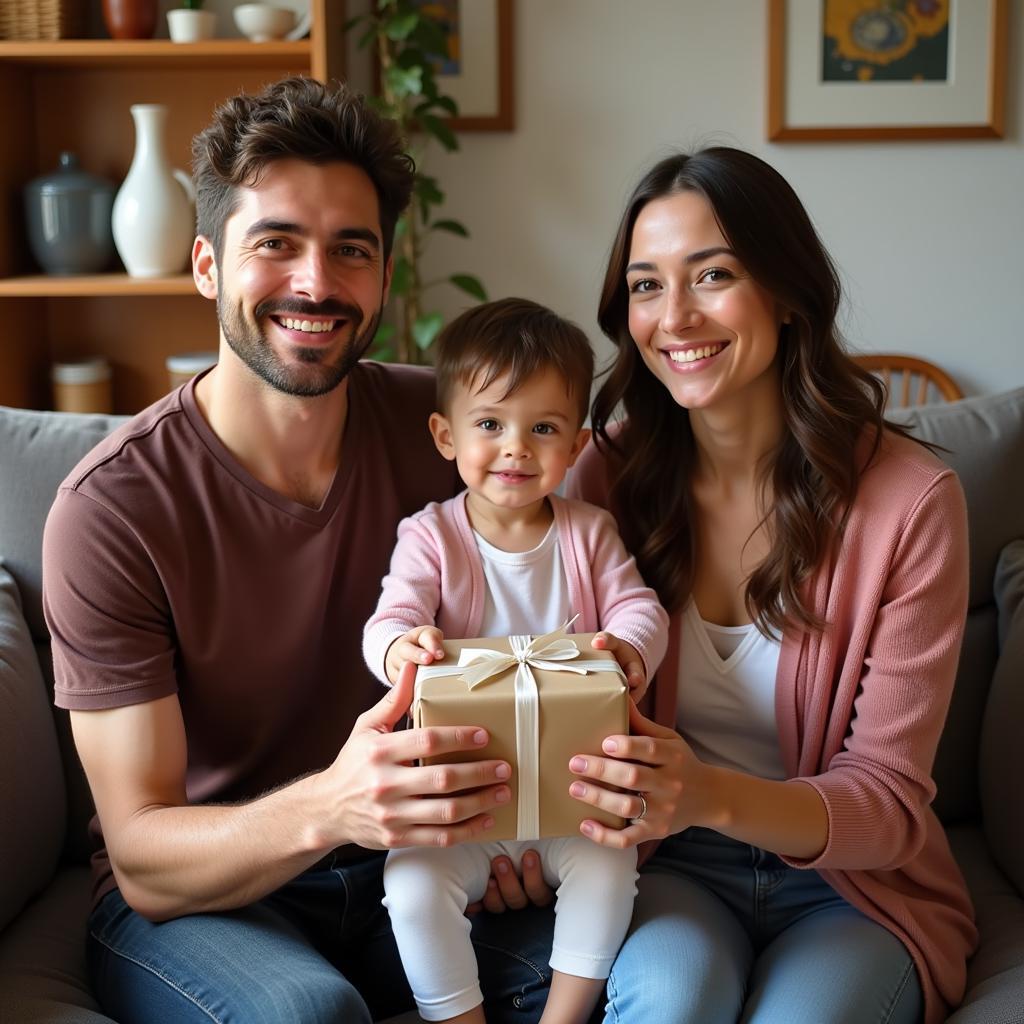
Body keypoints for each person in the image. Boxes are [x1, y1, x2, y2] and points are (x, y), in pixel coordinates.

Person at [42, 77, 554, 1024]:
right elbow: (145, 855)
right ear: (206, 265)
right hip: (214, 900)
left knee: (629, 975)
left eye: (350, 250)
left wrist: (528, 830)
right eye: (275, 243)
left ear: (384, 276)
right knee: (306, 1016)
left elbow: (593, 572)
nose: (316, 283)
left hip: (426, 868)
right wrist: (334, 805)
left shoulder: (454, 436)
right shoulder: (111, 508)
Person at [554, 148, 977, 1024]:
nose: (674, 317)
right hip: (671, 868)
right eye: (644, 286)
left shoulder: (910, 503)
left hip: (853, 889)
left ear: (786, 293)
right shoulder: (604, 478)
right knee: (670, 1003)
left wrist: (708, 792)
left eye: (713, 275)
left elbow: (892, 803)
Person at [362, 298, 669, 1024]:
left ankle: (562, 1016)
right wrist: (401, 645)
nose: (516, 449)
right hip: (466, 796)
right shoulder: (430, 536)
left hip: (572, 792)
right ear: (446, 434)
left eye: (543, 430)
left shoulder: (589, 532)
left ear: (577, 445)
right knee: (409, 883)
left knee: (611, 864)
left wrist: (628, 648)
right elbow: (390, 617)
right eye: (491, 425)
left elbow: (641, 609)